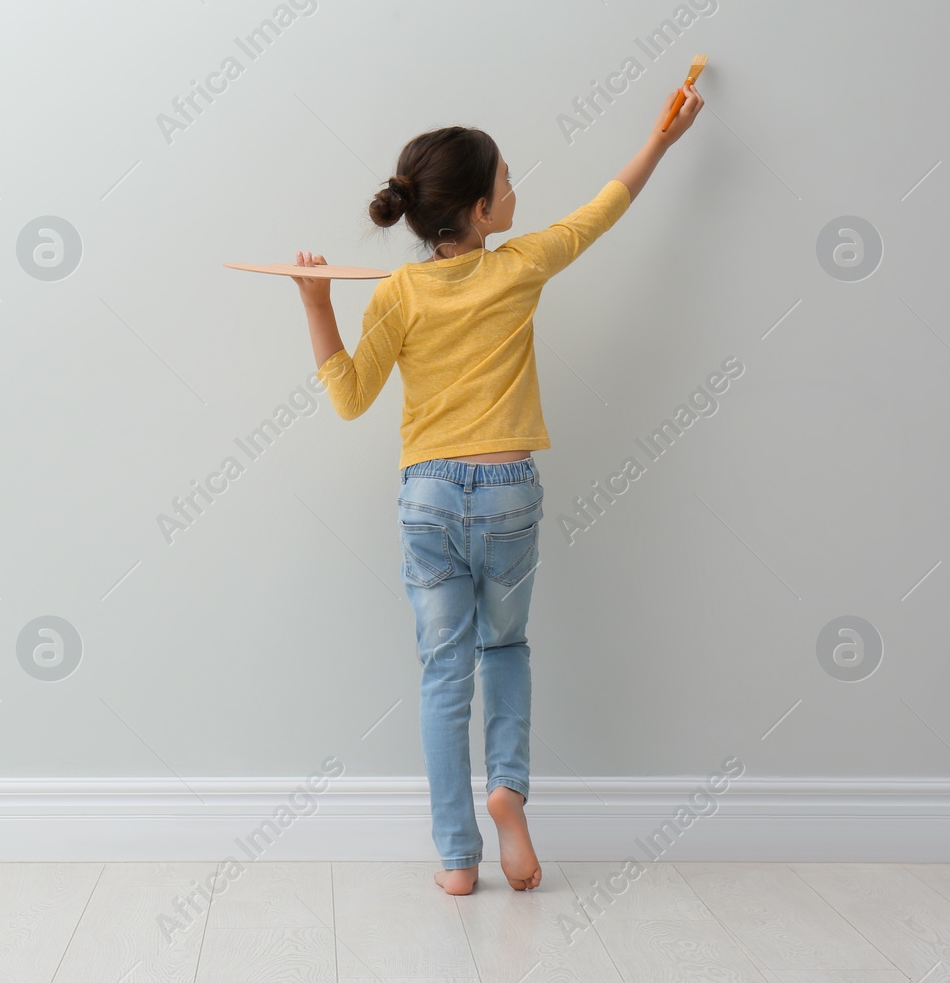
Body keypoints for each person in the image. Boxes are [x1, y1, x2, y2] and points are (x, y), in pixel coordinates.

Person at [292, 83, 705, 895]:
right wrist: (662, 140)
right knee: (505, 647)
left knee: (444, 673)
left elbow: (347, 397)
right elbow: (605, 208)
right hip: (510, 487)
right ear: (481, 212)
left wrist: (316, 303)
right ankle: (508, 791)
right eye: (509, 181)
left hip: (429, 498)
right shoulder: (520, 265)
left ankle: (455, 858)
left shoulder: (399, 294)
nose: (519, 191)